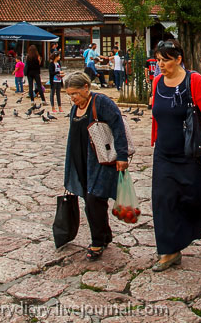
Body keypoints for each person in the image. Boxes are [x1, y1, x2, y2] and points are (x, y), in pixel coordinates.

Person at [148, 40, 201, 272]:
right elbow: (158, 114)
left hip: (191, 152)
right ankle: (170, 251)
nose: (161, 65)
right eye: (158, 60)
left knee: (194, 196)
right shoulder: (157, 81)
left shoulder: (194, 80)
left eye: (165, 60)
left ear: (178, 59)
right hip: (164, 152)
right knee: (162, 200)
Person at [63, 72, 129, 260]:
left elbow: (118, 126)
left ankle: (97, 242)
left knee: (94, 199)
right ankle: (105, 234)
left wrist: (122, 155)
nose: (73, 98)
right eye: (69, 95)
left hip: (101, 160)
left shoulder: (101, 103)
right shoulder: (75, 109)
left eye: (75, 93)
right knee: (91, 200)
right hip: (80, 160)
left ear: (86, 87)